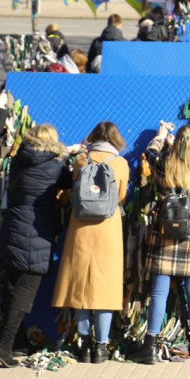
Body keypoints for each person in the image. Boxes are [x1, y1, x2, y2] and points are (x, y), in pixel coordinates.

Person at [52, 122, 130, 363]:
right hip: (108, 228)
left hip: (80, 227)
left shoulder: (81, 160)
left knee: (81, 286)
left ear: (93, 137)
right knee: (105, 288)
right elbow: (121, 197)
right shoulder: (120, 163)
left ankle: (84, 345)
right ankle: (101, 347)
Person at [0, 124, 68, 367]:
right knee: (23, 295)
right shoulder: (55, 166)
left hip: (12, 229)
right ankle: (4, 346)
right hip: (35, 235)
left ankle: (17, 342)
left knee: (11, 290)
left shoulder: (18, 160)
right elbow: (69, 180)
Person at [136, 122, 190, 364]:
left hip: (165, 232)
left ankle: (150, 345)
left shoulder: (164, 163)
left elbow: (150, 153)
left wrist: (160, 137)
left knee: (159, 291)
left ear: (176, 141)